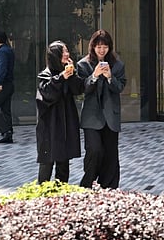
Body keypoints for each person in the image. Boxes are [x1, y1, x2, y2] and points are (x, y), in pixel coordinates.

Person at [76, 30, 126, 189]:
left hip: (111, 116)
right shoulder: (83, 65)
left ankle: (109, 187)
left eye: (105, 46)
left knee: (111, 154)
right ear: (93, 47)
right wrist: (95, 76)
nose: (102, 50)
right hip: (92, 117)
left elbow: (120, 88)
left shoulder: (117, 65)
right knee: (94, 150)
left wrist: (110, 77)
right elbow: (82, 89)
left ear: (109, 47)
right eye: (98, 47)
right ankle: (87, 183)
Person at [34, 41, 82, 183]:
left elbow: (78, 89)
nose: (67, 54)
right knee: (47, 162)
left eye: (67, 51)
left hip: (65, 124)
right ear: (55, 56)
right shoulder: (45, 75)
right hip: (49, 126)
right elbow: (48, 94)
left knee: (63, 161)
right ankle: (43, 194)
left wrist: (72, 74)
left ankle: (61, 195)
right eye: (63, 52)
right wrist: (62, 77)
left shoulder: (68, 72)